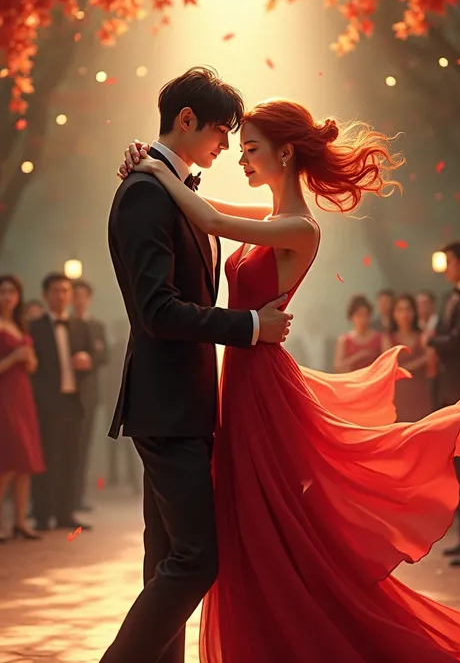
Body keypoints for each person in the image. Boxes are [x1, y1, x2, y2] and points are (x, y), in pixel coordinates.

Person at [121, 97, 460, 663]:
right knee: (244, 525)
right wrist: (155, 163)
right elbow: (199, 204)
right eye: (238, 149)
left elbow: (207, 221)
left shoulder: (299, 228)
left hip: (261, 383)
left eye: (252, 149)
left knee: (270, 522)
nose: (241, 159)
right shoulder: (271, 217)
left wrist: (157, 170)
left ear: (285, 152)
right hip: (239, 376)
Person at [103, 68, 291, 663]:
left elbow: (209, 219)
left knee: (167, 561)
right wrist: (252, 327)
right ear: (186, 120)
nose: (227, 147)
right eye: (220, 132)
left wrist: (156, 166)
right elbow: (158, 310)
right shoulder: (144, 193)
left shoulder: (170, 187)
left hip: (183, 403)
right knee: (195, 561)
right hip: (166, 405)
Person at [30, 273, 95, 532]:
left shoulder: (80, 325)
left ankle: (66, 513)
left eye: (65, 290)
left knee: (71, 458)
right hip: (48, 402)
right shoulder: (35, 328)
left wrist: (87, 360)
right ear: (46, 295)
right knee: (48, 458)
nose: (61, 295)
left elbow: (96, 355)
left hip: (74, 401)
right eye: (56, 291)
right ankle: (43, 514)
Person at [427, 241, 460, 566]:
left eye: (451, 260)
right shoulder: (456, 295)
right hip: (454, 391)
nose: (447, 266)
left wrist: (432, 341)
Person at [0, 275, 44, 541]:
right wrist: (12, 359)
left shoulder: (21, 326)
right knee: (6, 461)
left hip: (23, 394)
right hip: (4, 395)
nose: (8, 297)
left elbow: (32, 365)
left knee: (25, 462)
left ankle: (19, 521)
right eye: (3, 291)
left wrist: (28, 360)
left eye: (12, 292)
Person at [72, 280, 109, 511]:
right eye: (76, 295)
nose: (79, 300)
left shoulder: (96, 326)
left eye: (83, 295)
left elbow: (104, 356)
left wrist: (90, 360)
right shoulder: (67, 325)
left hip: (90, 396)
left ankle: (77, 498)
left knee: (83, 448)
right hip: (66, 396)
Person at [382, 294, 434, 422]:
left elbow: (432, 368)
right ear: (393, 314)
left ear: (414, 312)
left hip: (421, 393)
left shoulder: (423, 336)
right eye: (400, 310)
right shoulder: (387, 338)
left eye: (408, 309)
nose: (404, 314)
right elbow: (392, 368)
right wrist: (422, 361)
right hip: (397, 396)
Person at [333, 294, 382, 372]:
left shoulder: (380, 338)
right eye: (359, 315)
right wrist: (357, 357)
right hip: (353, 381)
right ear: (352, 317)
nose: (363, 319)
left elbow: (389, 363)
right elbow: (338, 367)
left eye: (366, 315)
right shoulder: (344, 340)